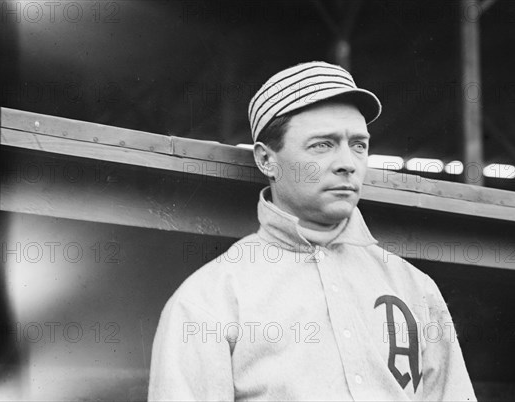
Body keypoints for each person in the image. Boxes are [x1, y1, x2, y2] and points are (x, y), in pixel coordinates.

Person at [148, 61, 476, 401]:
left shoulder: (416, 289)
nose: (348, 162)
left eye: (359, 145)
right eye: (323, 145)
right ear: (266, 160)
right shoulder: (210, 299)